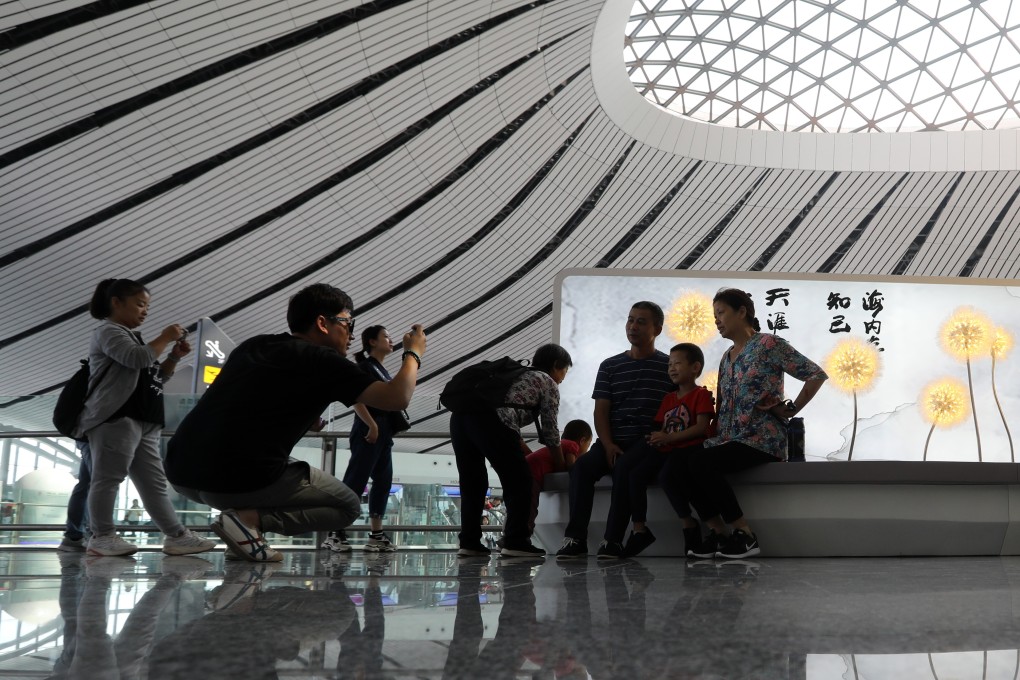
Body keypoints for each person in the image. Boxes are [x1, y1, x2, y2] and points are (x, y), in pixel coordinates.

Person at [165, 283, 427, 563]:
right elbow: (397, 397)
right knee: (348, 505)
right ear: (322, 323)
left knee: (270, 462)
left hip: (181, 469)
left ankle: (243, 536)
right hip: (239, 477)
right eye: (348, 323)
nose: (350, 334)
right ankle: (246, 521)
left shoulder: (256, 344)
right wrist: (413, 353)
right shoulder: (324, 360)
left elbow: (239, 399)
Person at [74, 278, 215, 557]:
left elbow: (154, 378)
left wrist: (173, 357)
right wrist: (164, 337)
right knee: (108, 478)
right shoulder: (108, 331)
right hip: (116, 417)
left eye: (147, 306)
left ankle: (176, 536)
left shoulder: (134, 338)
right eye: (140, 304)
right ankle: (102, 536)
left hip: (144, 419)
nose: (145, 311)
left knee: (153, 482)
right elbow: (137, 359)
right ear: (116, 302)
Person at [687, 288, 827, 560]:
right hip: (729, 439)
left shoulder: (768, 345)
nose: (717, 320)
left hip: (761, 439)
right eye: (714, 315)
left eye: (721, 313)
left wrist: (792, 408)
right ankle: (719, 535)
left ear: (742, 312)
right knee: (684, 463)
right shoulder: (726, 357)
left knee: (700, 463)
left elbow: (815, 374)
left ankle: (745, 535)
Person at [556, 302, 674, 559]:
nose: (633, 326)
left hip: (646, 440)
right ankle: (575, 538)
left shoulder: (668, 367)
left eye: (641, 321)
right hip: (611, 439)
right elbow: (601, 411)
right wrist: (608, 444)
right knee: (582, 468)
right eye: (630, 320)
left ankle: (613, 541)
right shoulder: (610, 366)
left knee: (623, 468)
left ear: (658, 329)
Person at [452, 343, 572, 558]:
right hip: (490, 420)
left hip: (460, 418)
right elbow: (551, 431)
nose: (563, 378)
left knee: (473, 481)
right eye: (564, 371)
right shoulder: (547, 382)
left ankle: (469, 542)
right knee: (520, 481)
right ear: (556, 366)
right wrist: (561, 467)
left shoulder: (518, 375)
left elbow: (511, 424)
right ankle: (516, 540)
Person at [599, 343, 715, 559]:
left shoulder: (702, 394)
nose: (671, 368)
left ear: (695, 367)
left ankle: (689, 525)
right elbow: (662, 426)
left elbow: (701, 428)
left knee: (667, 477)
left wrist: (667, 437)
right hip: (667, 448)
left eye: (677, 363)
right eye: (669, 364)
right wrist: (656, 438)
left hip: (687, 450)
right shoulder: (669, 398)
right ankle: (639, 529)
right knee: (634, 475)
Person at [322, 325, 400, 553]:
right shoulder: (365, 367)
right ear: (372, 342)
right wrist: (371, 424)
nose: (390, 339)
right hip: (369, 430)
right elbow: (355, 397)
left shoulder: (381, 369)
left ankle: (376, 534)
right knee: (356, 480)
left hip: (382, 431)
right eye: (386, 336)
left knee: (383, 482)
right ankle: (335, 532)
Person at [525, 420, 593, 536]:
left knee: (519, 506)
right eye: (588, 445)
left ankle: (508, 537)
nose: (587, 450)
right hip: (532, 474)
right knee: (529, 508)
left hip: (525, 467)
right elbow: (572, 467)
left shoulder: (561, 444)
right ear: (582, 441)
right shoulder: (572, 445)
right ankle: (522, 538)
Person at [57, 441, 92, 552]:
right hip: (98, 435)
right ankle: (76, 536)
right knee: (99, 483)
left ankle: (75, 536)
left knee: (87, 484)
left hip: (90, 436)